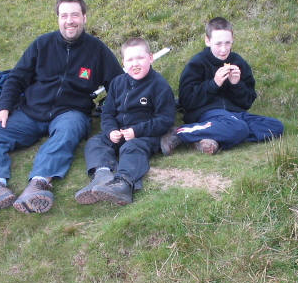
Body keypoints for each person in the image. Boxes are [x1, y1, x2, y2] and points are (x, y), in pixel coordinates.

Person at [0, 0, 124, 224]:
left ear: (85, 18)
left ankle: (39, 183)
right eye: (64, 15)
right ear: (57, 18)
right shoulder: (42, 44)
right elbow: (16, 78)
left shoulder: (97, 50)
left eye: (75, 15)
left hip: (70, 112)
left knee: (68, 131)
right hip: (30, 112)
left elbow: (118, 84)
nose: (70, 21)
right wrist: (4, 109)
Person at [75, 37, 176, 206]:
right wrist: (110, 131)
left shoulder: (159, 85)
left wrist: (137, 131)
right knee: (96, 142)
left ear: (150, 58)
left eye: (140, 58)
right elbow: (107, 113)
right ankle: (102, 176)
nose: (135, 64)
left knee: (132, 148)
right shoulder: (117, 83)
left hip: (144, 136)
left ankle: (123, 183)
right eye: (130, 59)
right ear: (123, 62)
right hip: (119, 132)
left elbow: (165, 120)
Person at [161, 16, 283, 156]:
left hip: (235, 115)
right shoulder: (197, 63)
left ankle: (210, 139)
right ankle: (178, 133)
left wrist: (236, 84)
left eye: (227, 43)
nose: (224, 49)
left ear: (233, 40)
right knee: (239, 128)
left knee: (275, 127)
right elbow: (187, 101)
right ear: (208, 41)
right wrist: (214, 83)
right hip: (207, 115)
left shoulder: (238, 62)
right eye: (218, 44)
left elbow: (247, 102)